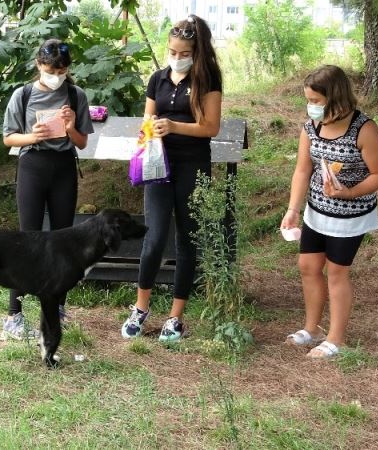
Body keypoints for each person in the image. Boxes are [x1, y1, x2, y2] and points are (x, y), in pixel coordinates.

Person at [121, 14, 222, 341]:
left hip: (192, 164)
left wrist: (175, 126)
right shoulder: (157, 79)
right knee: (154, 237)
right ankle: (140, 308)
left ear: (197, 52)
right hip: (158, 167)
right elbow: (147, 119)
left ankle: (175, 316)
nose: (176, 58)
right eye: (172, 52)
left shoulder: (208, 79)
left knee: (186, 240)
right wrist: (145, 134)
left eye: (183, 53)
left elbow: (211, 127)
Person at [280, 65, 378, 358]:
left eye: (316, 100)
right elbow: (303, 169)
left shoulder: (364, 129)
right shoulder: (311, 127)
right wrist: (293, 209)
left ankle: (335, 339)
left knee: (337, 272)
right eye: (308, 100)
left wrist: (349, 192)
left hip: (351, 216)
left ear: (336, 97)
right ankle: (312, 328)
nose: (311, 106)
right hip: (317, 210)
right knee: (308, 267)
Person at [1, 38, 94, 339]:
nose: (57, 75)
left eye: (62, 70)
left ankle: (56, 310)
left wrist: (69, 127)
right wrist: (33, 136)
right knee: (26, 240)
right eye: (51, 69)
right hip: (32, 167)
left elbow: (82, 142)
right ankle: (14, 314)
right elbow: (8, 138)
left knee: (62, 239)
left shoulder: (76, 94)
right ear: (39, 65)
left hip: (64, 167)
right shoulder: (23, 94)